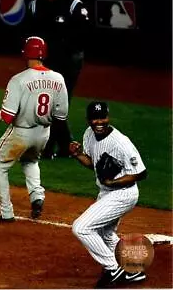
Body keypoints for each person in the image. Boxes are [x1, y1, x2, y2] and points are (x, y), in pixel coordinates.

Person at [69, 101, 147, 288]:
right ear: (88, 120)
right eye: (95, 118)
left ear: (108, 117)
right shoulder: (89, 134)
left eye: (102, 117)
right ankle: (132, 269)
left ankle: (113, 269)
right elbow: (94, 164)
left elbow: (141, 172)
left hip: (123, 193)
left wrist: (113, 182)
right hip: (107, 192)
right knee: (105, 233)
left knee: (81, 227)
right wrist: (78, 154)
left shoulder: (120, 143)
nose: (99, 122)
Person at [0, 36, 70, 221]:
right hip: (44, 134)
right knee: (31, 161)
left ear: (26, 54)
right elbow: (61, 116)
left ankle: (6, 211)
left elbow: (8, 116)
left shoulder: (19, 79)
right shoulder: (58, 78)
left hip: (21, 133)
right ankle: (37, 196)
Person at [26, 0, 90, 158]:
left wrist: (61, 47)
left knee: (58, 105)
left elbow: (83, 36)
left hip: (69, 61)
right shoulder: (35, 5)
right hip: (45, 62)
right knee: (47, 104)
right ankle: (65, 147)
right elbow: (27, 34)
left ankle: (48, 148)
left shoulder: (74, 6)